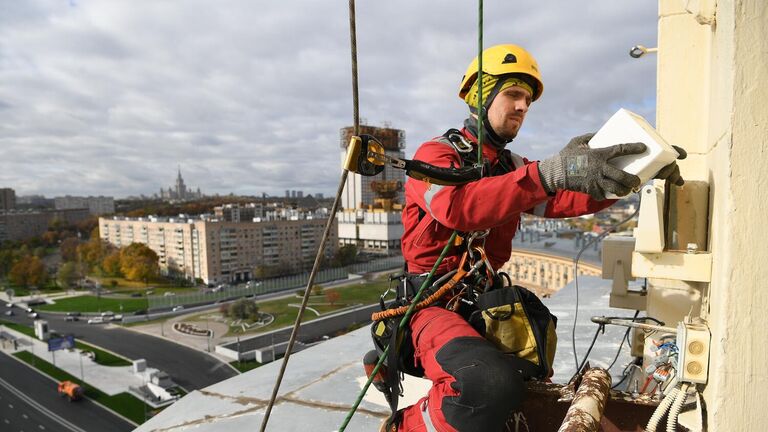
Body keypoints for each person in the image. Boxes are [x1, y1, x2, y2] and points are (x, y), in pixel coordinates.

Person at [377, 44, 685, 432]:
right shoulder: (437, 156)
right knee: (483, 384)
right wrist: (548, 174)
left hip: (482, 303)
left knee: (533, 365)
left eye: (527, 99)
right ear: (479, 95)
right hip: (431, 307)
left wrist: (635, 173)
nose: (522, 106)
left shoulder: (510, 167)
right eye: (512, 94)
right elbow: (458, 207)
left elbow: (561, 199)